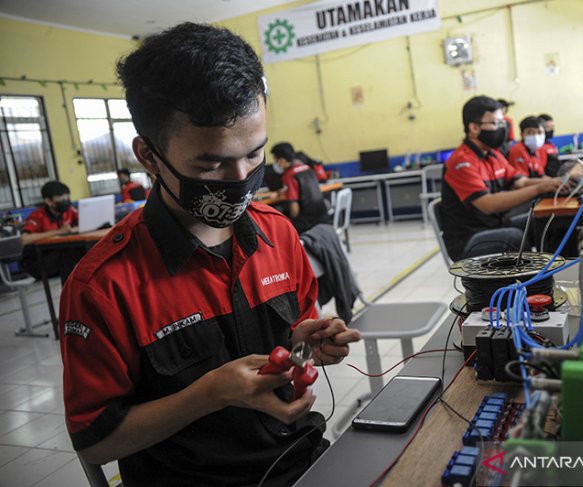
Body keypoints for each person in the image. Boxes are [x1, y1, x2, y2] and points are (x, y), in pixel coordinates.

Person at [59, 23, 360, 487]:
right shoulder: (104, 286)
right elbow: (96, 442)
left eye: (254, 155)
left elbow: (296, 352)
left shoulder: (277, 234)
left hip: (300, 460)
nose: (240, 179)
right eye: (210, 164)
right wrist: (208, 395)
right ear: (149, 156)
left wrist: (306, 348)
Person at [440, 96, 563, 261]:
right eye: (496, 123)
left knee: (546, 221)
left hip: (493, 226)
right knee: (513, 238)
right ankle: (529, 284)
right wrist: (539, 189)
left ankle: (556, 273)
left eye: (502, 122)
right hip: (469, 239)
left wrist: (555, 182)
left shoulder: (493, 155)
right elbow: (489, 204)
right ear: (474, 128)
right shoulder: (461, 161)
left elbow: (521, 182)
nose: (502, 128)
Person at [20, 180, 82, 282]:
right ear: (49, 201)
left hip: (59, 256)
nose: (66, 202)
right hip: (38, 262)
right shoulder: (37, 216)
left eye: (67, 198)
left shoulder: (69, 211)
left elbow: (83, 220)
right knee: (67, 254)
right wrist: (59, 231)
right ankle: (68, 295)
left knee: (88, 249)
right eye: (62, 199)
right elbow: (24, 239)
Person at [272, 142, 330, 234]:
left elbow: (294, 207)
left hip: (308, 223)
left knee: (277, 227)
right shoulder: (307, 168)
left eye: (275, 160)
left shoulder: (289, 175)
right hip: (323, 218)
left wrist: (293, 222)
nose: (276, 164)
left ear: (282, 160)